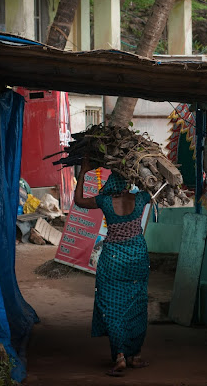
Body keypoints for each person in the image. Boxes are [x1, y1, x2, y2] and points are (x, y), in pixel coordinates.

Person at [74, 157, 152, 377]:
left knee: (113, 304)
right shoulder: (141, 198)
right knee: (137, 302)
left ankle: (120, 356)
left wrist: (84, 172)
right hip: (137, 256)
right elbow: (159, 189)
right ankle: (135, 355)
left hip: (114, 259)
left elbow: (79, 200)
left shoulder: (105, 201)